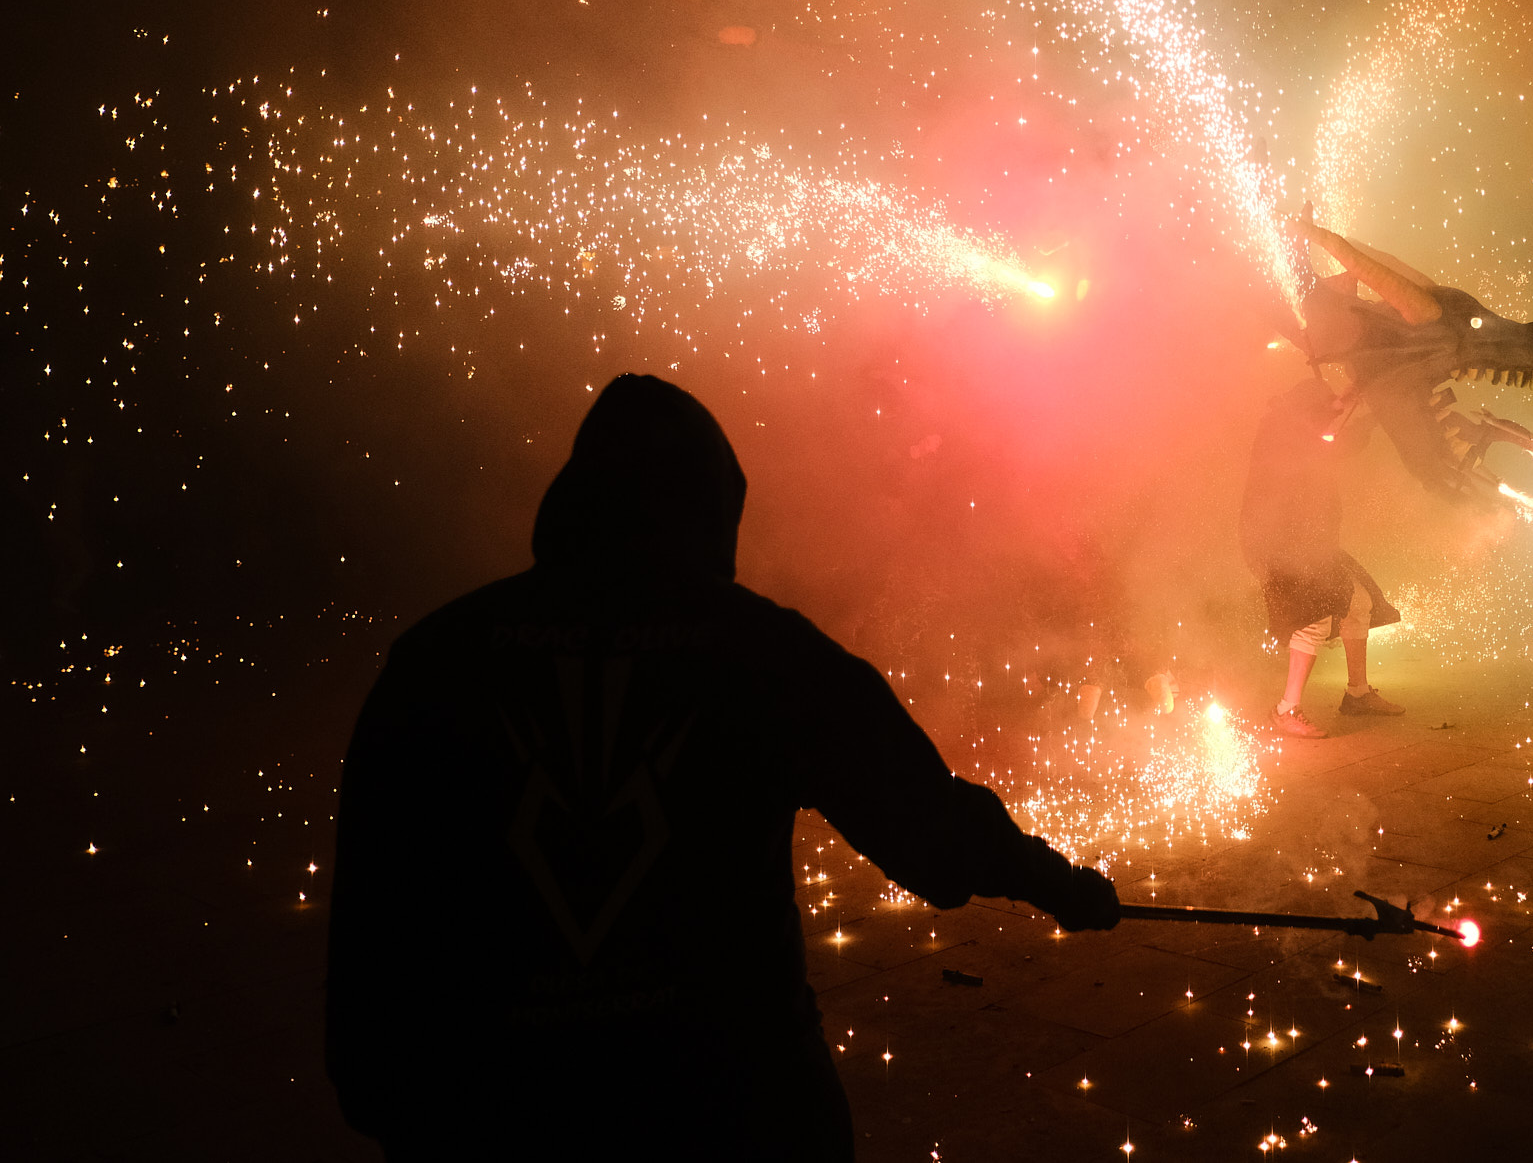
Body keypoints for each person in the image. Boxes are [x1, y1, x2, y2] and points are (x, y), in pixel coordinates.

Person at [325, 374, 1119, 1160]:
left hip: (499, 1117)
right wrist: (1059, 885)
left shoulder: (439, 659)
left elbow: (377, 916)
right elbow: (935, 833)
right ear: (707, 508)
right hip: (732, 1107)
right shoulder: (760, 652)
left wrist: (402, 1103)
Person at [1239, 376, 1404, 739]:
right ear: (1308, 413)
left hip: (1312, 542)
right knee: (1312, 617)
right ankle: (1286, 710)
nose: (1328, 424)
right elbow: (1335, 447)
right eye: (1323, 415)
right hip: (1282, 546)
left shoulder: (1296, 426)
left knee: (1358, 602)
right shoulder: (1283, 437)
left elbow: (1332, 439)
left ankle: (1357, 695)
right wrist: (1373, 417)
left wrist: (1358, 400)